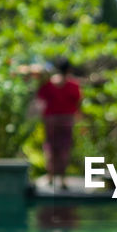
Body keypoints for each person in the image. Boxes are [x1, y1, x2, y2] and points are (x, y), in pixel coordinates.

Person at [31, 57, 82, 190]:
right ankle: (62, 179)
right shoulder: (73, 85)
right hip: (66, 120)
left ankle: (51, 176)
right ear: (69, 69)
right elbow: (78, 103)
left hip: (51, 119)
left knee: (51, 147)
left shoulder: (48, 84)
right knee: (64, 148)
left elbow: (40, 102)